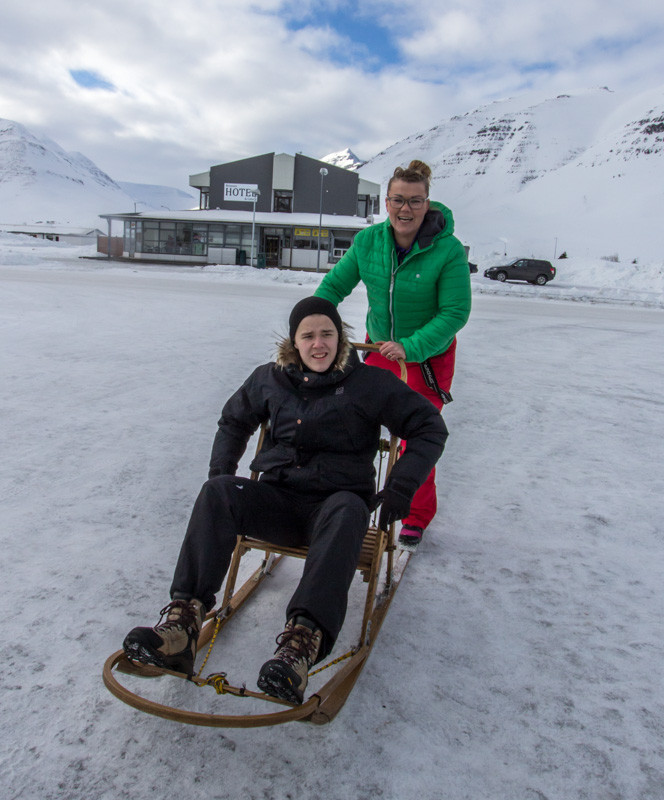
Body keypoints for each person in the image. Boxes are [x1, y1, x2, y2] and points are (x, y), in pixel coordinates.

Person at [122, 297, 447, 704]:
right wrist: (222, 470)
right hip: (276, 503)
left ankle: (301, 645)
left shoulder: (371, 383)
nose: (318, 344)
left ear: (340, 337)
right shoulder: (270, 378)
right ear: (294, 342)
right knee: (217, 492)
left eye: (327, 334)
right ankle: (183, 623)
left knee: (349, 508)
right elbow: (234, 421)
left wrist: (401, 486)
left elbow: (429, 427)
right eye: (308, 336)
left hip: (334, 512)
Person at [315, 160, 471, 548]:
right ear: (386, 202)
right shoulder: (368, 242)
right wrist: (312, 324)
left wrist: (411, 346)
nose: (406, 209)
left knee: (414, 437)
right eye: (398, 199)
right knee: (349, 425)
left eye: (415, 201)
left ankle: (414, 514)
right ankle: (339, 499)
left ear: (427, 204)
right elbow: (333, 288)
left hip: (427, 359)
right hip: (380, 350)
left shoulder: (448, 250)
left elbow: (455, 312)